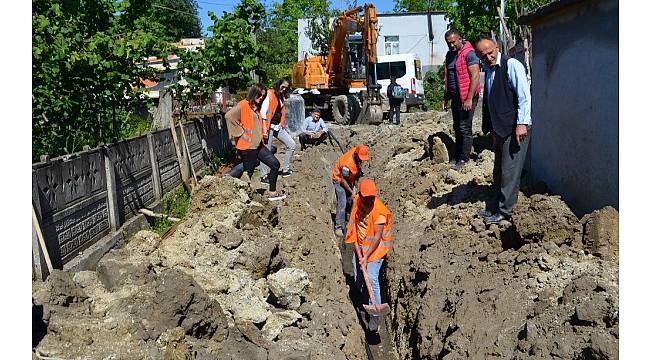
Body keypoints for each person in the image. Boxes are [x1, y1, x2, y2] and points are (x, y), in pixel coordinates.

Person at [475, 34, 532, 225]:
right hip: (500, 129)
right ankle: (495, 207)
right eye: (483, 56)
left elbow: (524, 97)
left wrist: (522, 124)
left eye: (490, 53)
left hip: (515, 127)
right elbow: (492, 101)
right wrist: (492, 128)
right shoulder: (489, 70)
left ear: (497, 48)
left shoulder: (512, 65)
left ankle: (505, 212)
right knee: (499, 170)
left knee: (510, 171)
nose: (488, 57)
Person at [344, 178, 392, 332]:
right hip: (361, 246)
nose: (369, 201)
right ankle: (364, 299)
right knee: (358, 276)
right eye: (367, 198)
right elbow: (354, 219)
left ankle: (375, 314)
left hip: (375, 250)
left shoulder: (380, 212)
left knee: (371, 278)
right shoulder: (358, 199)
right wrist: (354, 237)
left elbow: (377, 238)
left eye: (372, 198)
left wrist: (366, 257)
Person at [225, 83, 286, 201]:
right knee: (248, 173)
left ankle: (272, 193)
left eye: (263, 96)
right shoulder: (243, 105)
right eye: (259, 95)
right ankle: (238, 197)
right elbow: (229, 116)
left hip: (258, 145)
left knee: (275, 165)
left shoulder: (256, 108)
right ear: (253, 93)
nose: (261, 97)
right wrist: (239, 133)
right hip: (248, 147)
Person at [443, 29, 481, 171]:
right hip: (456, 97)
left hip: (467, 97)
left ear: (460, 39)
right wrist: (446, 97)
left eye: (453, 42)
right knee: (457, 127)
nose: (451, 45)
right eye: (448, 43)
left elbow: (475, 76)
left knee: (465, 127)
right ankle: (457, 156)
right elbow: (448, 78)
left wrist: (469, 98)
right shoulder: (450, 55)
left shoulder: (469, 54)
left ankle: (465, 159)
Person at [260, 77, 296, 183]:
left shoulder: (282, 96)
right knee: (265, 151)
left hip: (277, 127)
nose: (284, 89)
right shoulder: (269, 94)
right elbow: (263, 113)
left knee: (291, 144)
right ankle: (263, 176)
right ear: (279, 84)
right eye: (283, 86)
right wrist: (264, 129)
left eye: (286, 88)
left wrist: (282, 123)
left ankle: (286, 170)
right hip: (268, 127)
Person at [331, 144, 370, 237]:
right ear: (356, 155)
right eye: (360, 158)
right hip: (339, 180)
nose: (361, 160)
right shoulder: (347, 164)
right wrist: (352, 191)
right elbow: (343, 181)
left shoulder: (357, 151)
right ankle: (339, 226)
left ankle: (349, 216)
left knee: (349, 199)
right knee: (342, 202)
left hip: (348, 178)